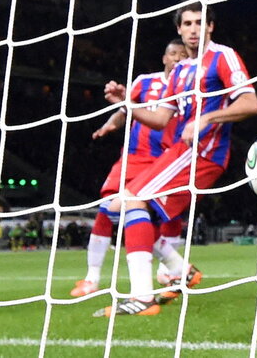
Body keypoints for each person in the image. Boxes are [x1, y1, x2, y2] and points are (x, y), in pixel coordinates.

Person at [98, 1, 257, 316]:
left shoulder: (223, 57)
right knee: (115, 207)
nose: (193, 29)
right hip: (179, 151)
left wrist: (206, 118)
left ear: (210, 27)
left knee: (131, 201)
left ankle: (143, 298)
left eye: (200, 23)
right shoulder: (181, 70)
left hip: (203, 152)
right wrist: (126, 103)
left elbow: (250, 103)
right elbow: (160, 119)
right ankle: (180, 270)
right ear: (179, 29)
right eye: (187, 24)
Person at [70, 39, 186, 298]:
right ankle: (91, 278)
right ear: (164, 58)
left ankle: (171, 271)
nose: (177, 58)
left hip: (165, 161)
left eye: (182, 55)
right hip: (133, 157)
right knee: (107, 210)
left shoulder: (189, 87)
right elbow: (125, 110)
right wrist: (110, 124)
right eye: (173, 54)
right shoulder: (145, 82)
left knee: (161, 217)